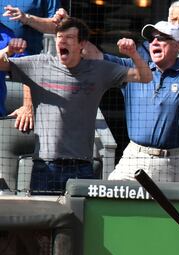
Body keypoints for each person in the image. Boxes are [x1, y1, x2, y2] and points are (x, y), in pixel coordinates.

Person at [0, 18, 151, 194]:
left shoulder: (100, 70)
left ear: (82, 44)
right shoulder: (39, 64)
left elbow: (145, 77)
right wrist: (7, 51)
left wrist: (134, 54)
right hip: (45, 166)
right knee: (44, 219)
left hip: (82, 167)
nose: (62, 41)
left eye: (70, 37)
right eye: (59, 36)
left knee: (80, 220)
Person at [89, 15, 179, 182]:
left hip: (170, 162)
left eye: (162, 38)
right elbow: (96, 55)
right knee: (109, 201)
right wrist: (67, 31)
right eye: (152, 39)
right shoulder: (133, 69)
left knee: (163, 209)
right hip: (133, 157)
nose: (154, 42)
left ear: (177, 46)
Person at [2, 3, 66, 132]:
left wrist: (27, 105)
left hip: (28, 70)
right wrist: (7, 51)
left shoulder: (8, 36)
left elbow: (58, 26)